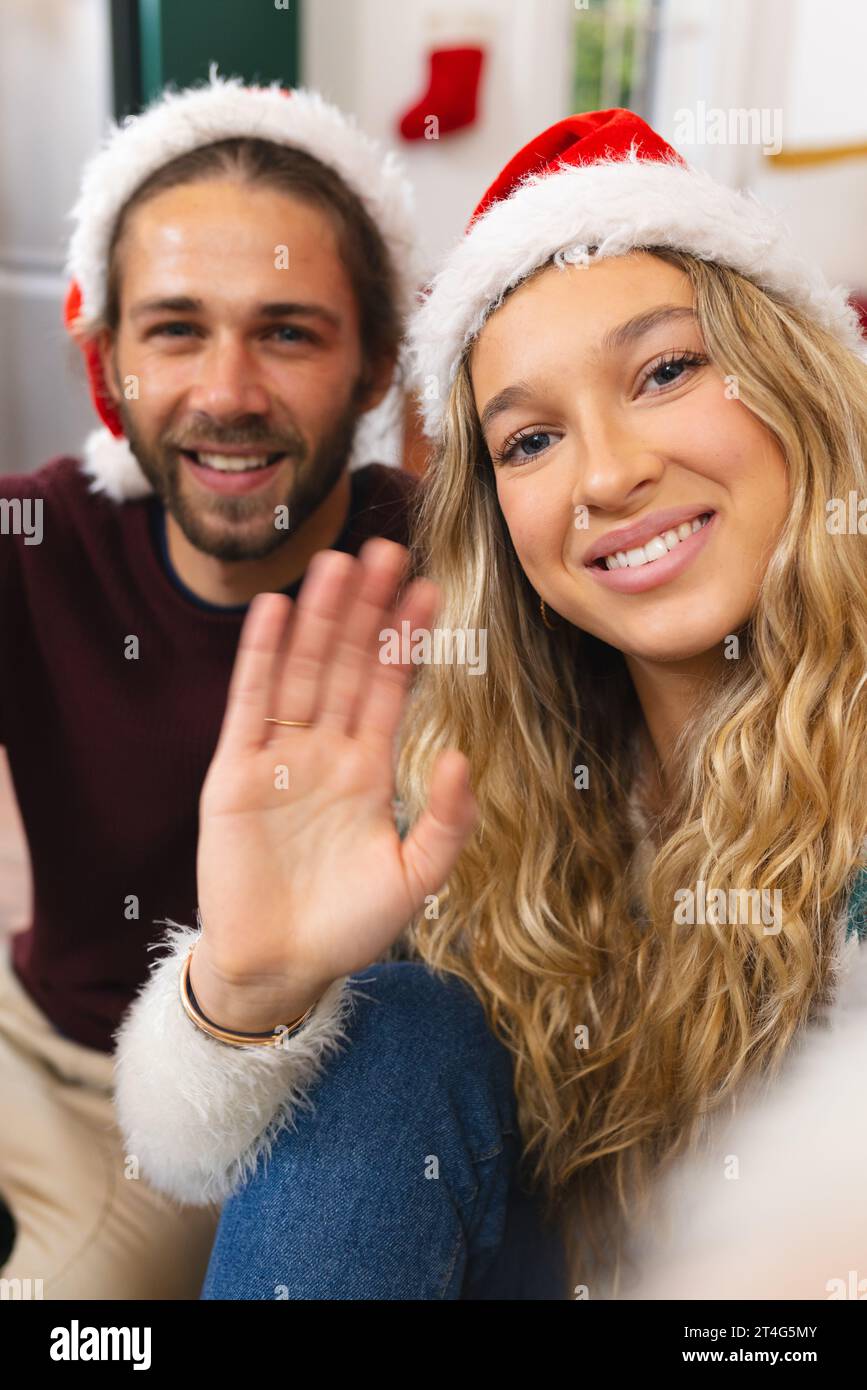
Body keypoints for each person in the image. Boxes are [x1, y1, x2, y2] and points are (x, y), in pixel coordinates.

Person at [114, 109, 867, 1300]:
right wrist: (250, 994)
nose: (609, 473)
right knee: (387, 1031)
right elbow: (221, 1154)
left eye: (666, 370)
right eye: (530, 440)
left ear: (798, 391)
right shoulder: (487, 780)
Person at [0, 70, 420, 1299]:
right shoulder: (31, 541)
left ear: (377, 367)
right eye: (176, 328)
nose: (228, 392)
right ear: (107, 357)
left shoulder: (457, 571)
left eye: (288, 330)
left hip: (258, 1104)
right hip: (44, 1043)